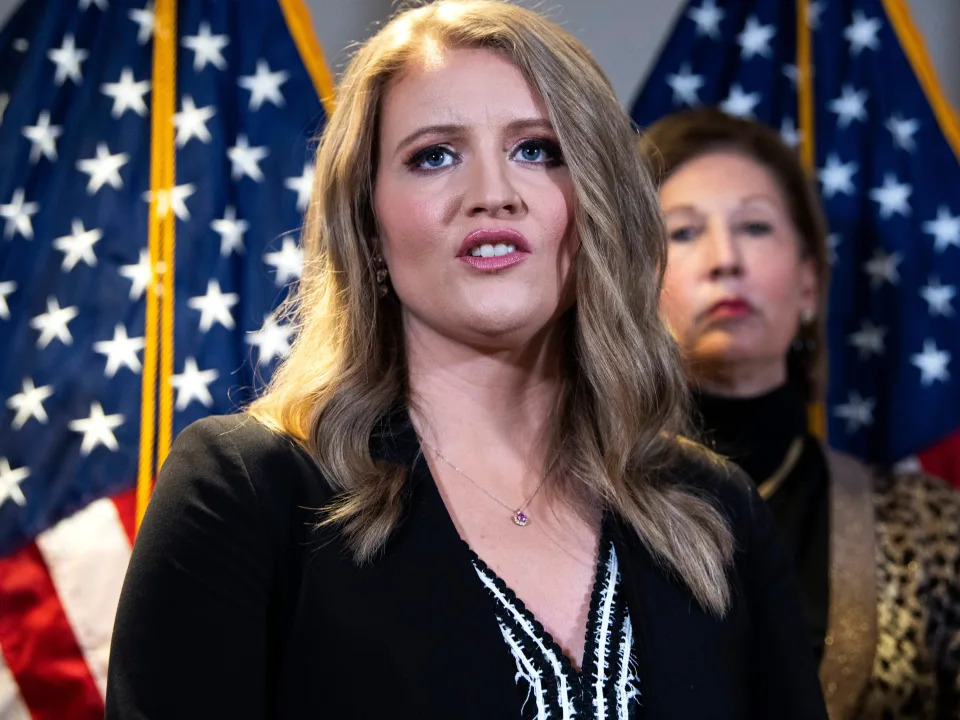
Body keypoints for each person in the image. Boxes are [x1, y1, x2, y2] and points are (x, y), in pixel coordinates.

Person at [105, 4, 827, 718]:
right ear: (369, 227)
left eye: (537, 150)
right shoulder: (244, 494)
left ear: (600, 203)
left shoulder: (715, 510)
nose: (491, 195)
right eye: (434, 156)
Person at [640, 107, 960, 720]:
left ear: (810, 284)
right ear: (632, 281)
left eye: (755, 227)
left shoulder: (930, 533)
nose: (724, 258)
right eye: (682, 232)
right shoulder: (575, 520)